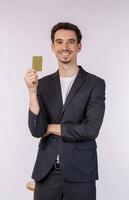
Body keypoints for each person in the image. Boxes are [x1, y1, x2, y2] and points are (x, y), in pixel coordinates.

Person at [24, 22, 106, 200]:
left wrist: (52, 128)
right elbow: (37, 130)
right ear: (53, 47)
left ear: (79, 46)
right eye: (59, 42)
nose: (65, 47)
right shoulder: (43, 84)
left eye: (70, 42)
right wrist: (32, 92)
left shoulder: (95, 84)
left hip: (81, 172)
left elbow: (91, 129)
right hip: (46, 172)